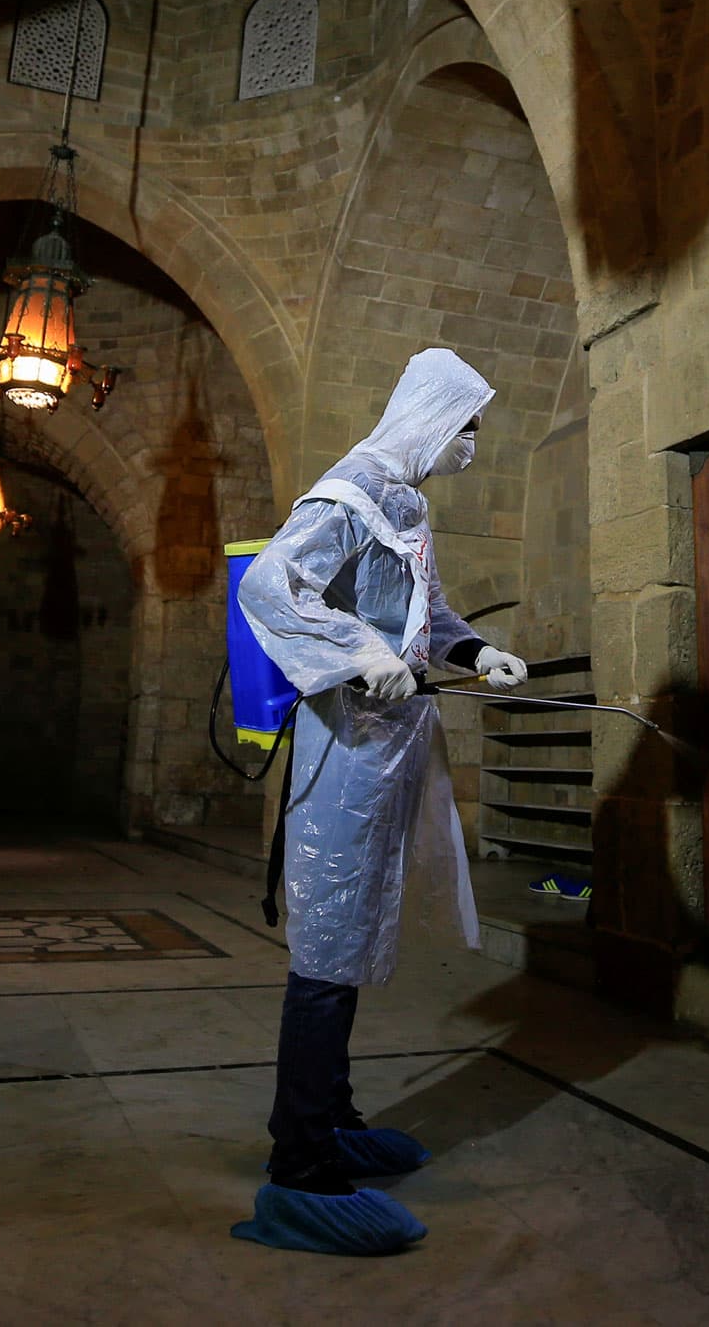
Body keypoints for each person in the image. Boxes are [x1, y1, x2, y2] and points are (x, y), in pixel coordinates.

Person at [228, 347, 529, 1256]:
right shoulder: (349, 491)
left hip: (391, 750)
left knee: (354, 934)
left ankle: (336, 1116)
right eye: (469, 425)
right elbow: (269, 585)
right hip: (344, 751)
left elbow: (425, 614)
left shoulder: (406, 504)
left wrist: (477, 654)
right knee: (326, 948)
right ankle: (301, 1167)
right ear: (434, 417)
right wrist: (357, 654)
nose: (473, 443)